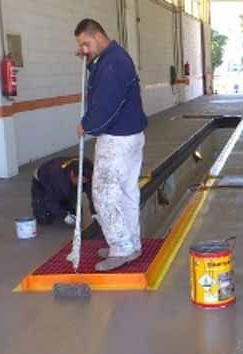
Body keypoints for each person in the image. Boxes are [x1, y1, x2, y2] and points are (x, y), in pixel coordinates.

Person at [74, 18, 148, 272]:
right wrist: (89, 63)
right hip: (132, 135)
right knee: (127, 191)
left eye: (85, 44)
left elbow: (106, 107)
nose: (83, 50)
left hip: (116, 139)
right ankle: (130, 243)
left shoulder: (111, 65)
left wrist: (87, 125)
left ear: (97, 36)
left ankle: (121, 248)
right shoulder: (114, 58)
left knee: (104, 193)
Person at [31, 157, 95, 226]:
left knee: (76, 213)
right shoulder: (56, 177)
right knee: (44, 219)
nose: (81, 183)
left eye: (84, 181)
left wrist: (95, 214)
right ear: (72, 174)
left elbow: (92, 195)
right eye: (79, 181)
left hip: (64, 185)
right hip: (42, 184)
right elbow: (49, 201)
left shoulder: (88, 171)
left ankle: (63, 204)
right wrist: (64, 216)